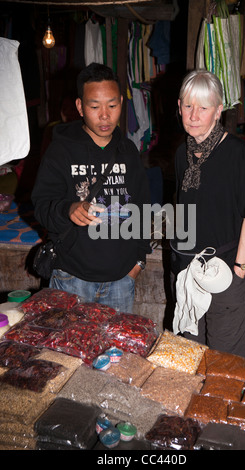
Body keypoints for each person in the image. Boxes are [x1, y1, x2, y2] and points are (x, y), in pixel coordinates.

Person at [32, 62, 151, 313]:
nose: (105, 115)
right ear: (80, 107)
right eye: (95, 106)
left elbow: (143, 209)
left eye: (112, 105)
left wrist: (137, 264)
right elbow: (41, 207)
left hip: (121, 281)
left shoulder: (128, 152)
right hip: (72, 280)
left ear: (121, 102)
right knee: (67, 352)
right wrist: (68, 209)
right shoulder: (60, 151)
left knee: (116, 352)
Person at [171, 69, 245, 358]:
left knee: (226, 361)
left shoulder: (237, 154)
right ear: (180, 107)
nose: (193, 115)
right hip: (188, 272)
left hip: (225, 270)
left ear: (218, 110)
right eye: (188, 106)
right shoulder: (180, 154)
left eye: (203, 108)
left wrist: (239, 269)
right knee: (190, 354)